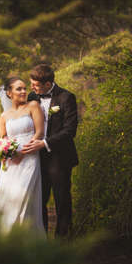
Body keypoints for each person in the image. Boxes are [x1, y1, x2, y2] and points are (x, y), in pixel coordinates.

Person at [21, 64, 79, 238]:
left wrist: (44, 143)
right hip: (36, 158)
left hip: (60, 157)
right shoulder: (31, 97)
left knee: (62, 200)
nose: (31, 88)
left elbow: (70, 131)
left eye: (35, 84)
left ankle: (63, 239)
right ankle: (42, 239)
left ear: (48, 84)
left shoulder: (66, 97)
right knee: (39, 201)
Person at [0, 77, 46, 236]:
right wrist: (5, 152)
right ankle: (8, 240)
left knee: (23, 198)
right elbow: (3, 138)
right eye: (19, 89)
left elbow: (39, 132)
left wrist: (22, 152)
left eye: (24, 88)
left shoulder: (33, 106)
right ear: (9, 93)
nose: (24, 91)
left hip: (29, 158)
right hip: (11, 164)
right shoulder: (4, 116)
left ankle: (22, 237)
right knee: (9, 200)